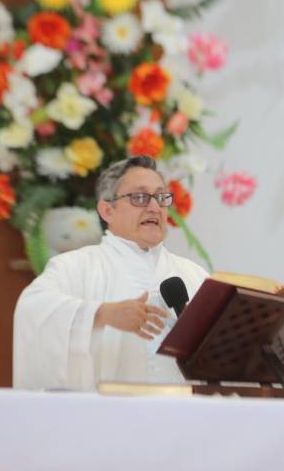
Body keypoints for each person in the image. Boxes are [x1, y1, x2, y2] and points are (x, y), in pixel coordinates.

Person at [13, 155, 208, 390]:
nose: (155, 207)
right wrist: (102, 314)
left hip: (182, 417)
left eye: (160, 197)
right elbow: (32, 308)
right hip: (105, 418)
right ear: (107, 211)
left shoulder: (194, 275)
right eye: (140, 197)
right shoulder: (75, 267)